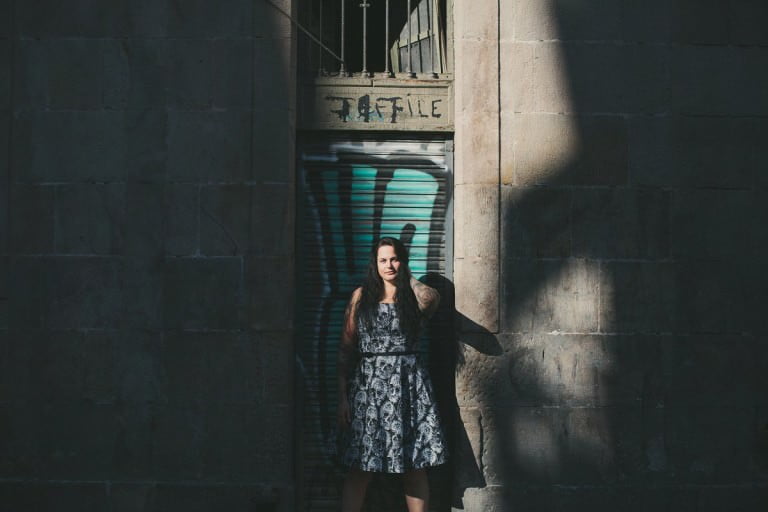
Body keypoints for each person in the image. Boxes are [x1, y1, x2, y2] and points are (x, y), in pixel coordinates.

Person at [336, 237, 448, 512]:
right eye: (383, 260)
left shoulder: (414, 298)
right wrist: (342, 397)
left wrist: (404, 277)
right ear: (374, 264)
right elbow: (345, 348)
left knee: (414, 466)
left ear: (404, 261)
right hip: (369, 388)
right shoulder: (361, 297)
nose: (389, 265)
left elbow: (433, 297)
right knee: (360, 466)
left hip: (409, 386)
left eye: (395, 259)